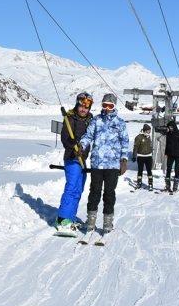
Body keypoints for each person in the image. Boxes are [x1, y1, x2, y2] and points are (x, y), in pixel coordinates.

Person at [78, 93, 129, 233]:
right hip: (97, 163)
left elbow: (125, 142)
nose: (107, 108)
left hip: (112, 165)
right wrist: (82, 146)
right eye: (104, 105)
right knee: (94, 192)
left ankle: (107, 222)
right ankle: (91, 220)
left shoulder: (120, 123)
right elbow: (88, 136)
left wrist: (124, 160)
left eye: (110, 105)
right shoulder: (96, 120)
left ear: (114, 106)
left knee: (109, 193)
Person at [55, 92, 93, 234]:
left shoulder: (90, 120)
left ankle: (70, 219)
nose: (83, 109)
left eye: (86, 107)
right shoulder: (69, 118)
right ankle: (63, 221)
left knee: (78, 189)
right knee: (71, 188)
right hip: (72, 159)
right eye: (81, 106)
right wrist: (72, 144)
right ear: (77, 105)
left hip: (83, 159)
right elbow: (65, 138)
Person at [161, 120, 179, 193]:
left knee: (176, 169)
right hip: (170, 154)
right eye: (169, 127)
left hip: (178, 155)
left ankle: (175, 187)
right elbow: (167, 144)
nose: (170, 128)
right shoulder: (169, 134)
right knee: (168, 169)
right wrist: (166, 152)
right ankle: (167, 186)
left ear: (174, 126)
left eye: (171, 127)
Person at [132, 124, 154, 190]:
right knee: (140, 170)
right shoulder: (139, 137)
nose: (149, 132)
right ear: (145, 130)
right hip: (141, 156)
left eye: (150, 130)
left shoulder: (149, 137)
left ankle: (150, 184)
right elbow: (135, 147)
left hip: (148, 156)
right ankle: (139, 183)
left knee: (149, 170)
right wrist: (134, 156)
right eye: (148, 130)